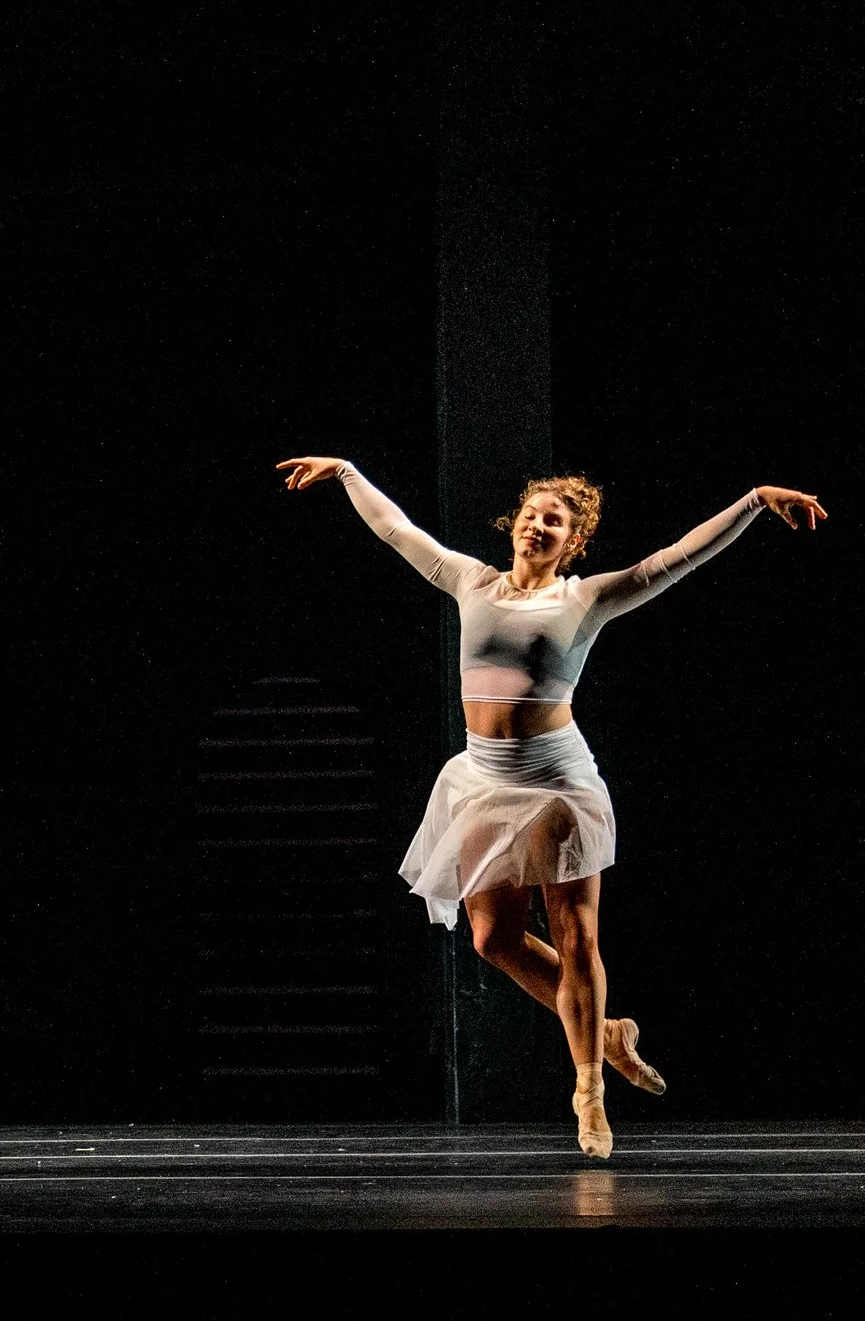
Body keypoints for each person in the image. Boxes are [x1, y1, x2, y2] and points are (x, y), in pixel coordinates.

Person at [276, 457, 825, 1157]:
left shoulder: (584, 599)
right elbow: (397, 530)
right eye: (533, 514)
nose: (539, 525)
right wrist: (349, 473)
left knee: (575, 937)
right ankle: (609, 1033)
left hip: (557, 783)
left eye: (555, 522)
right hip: (484, 780)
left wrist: (753, 500)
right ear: (514, 524)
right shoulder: (472, 581)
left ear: (572, 540)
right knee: (492, 940)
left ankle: (589, 1090)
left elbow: (675, 559)